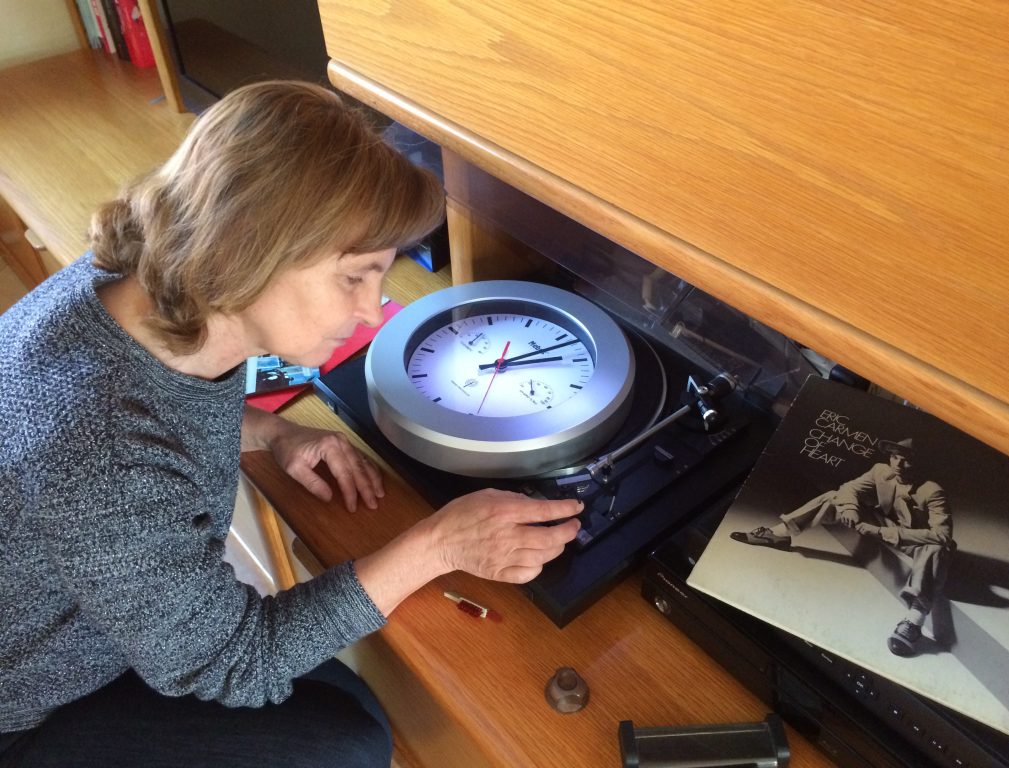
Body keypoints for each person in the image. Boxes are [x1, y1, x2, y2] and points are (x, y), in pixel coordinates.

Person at [0, 81, 582, 767]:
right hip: (30, 703)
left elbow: (157, 411)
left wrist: (276, 431)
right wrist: (438, 545)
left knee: (342, 696)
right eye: (354, 278)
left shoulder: (128, 281)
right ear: (251, 247)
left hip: (103, 612)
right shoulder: (102, 460)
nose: (373, 312)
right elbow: (238, 663)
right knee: (350, 740)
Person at [731, 438, 955, 657]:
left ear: (919, 464)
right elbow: (849, 488)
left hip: (914, 542)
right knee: (833, 496)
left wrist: (879, 532)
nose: (897, 464)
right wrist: (849, 508)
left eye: (905, 460)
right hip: (882, 526)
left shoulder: (932, 491)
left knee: (937, 549)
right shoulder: (881, 471)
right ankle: (778, 535)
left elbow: (941, 535)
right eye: (895, 457)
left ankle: (914, 620)